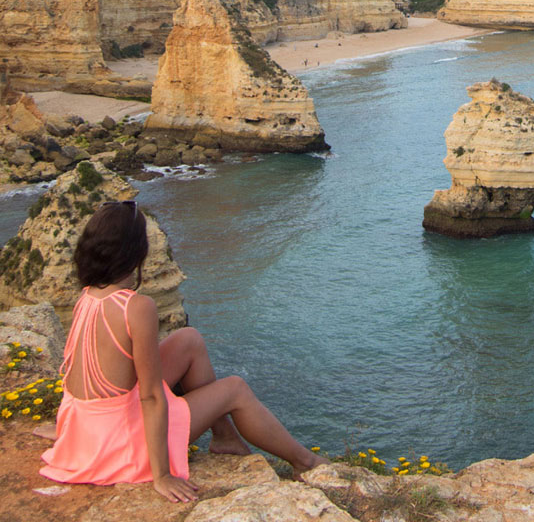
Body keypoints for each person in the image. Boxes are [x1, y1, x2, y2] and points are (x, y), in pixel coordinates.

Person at [40, 199, 327, 503]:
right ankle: (305, 463)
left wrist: (67, 431)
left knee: (189, 339)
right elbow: (150, 396)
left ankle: (225, 437)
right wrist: (162, 475)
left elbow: (78, 371)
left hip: (88, 434)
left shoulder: (86, 297)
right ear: (138, 251)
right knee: (235, 390)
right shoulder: (136, 307)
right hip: (121, 446)